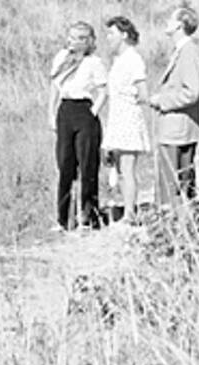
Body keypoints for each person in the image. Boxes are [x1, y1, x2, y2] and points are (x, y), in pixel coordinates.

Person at [49, 21, 108, 230]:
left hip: (84, 109)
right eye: (70, 36)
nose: (70, 41)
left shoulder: (94, 63)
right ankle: (63, 218)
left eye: (76, 38)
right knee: (65, 164)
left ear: (85, 41)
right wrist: (51, 113)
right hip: (65, 110)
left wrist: (93, 113)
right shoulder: (61, 58)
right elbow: (55, 88)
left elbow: (103, 91)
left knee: (87, 165)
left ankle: (88, 215)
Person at [150, 6, 199, 206]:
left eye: (171, 19)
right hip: (178, 127)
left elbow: (192, 92)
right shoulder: (183, 50)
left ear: (180, 25)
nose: (167, 22)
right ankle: (181, 225)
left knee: (171, 184)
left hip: (177, 128)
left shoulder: (189, 50)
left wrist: (162, 101)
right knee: (181, 183)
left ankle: (170, 225)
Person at [101, 16, 150, 222]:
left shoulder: (133, 59)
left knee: (127, 168)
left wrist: (133, 107)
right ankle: (126, 209)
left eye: (112, 33)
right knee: (119, 168)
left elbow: (143, 93)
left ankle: (130, 213)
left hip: (128, 117)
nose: (108, 38)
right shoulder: (118, 61)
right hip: (116, 117)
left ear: (124, 35)